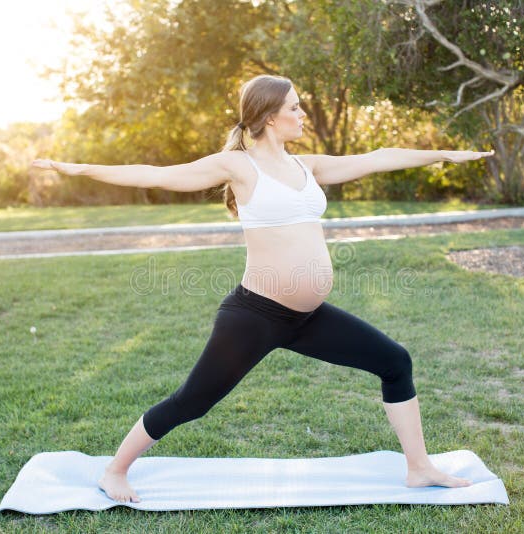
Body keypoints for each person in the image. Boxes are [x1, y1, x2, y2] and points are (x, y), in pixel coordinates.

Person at [32, 74, 494, 503]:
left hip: (307, 318)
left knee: (395, 361)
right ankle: (115, 469)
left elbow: (377, 159)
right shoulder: (239, 166)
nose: (302, 115)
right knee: (192, 401)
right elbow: (154, 174)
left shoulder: (306, 166)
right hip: (255, 316)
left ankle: (418, 467)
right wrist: (77, 168)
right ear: (271, 116)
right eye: (296, 108)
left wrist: (442, 155)